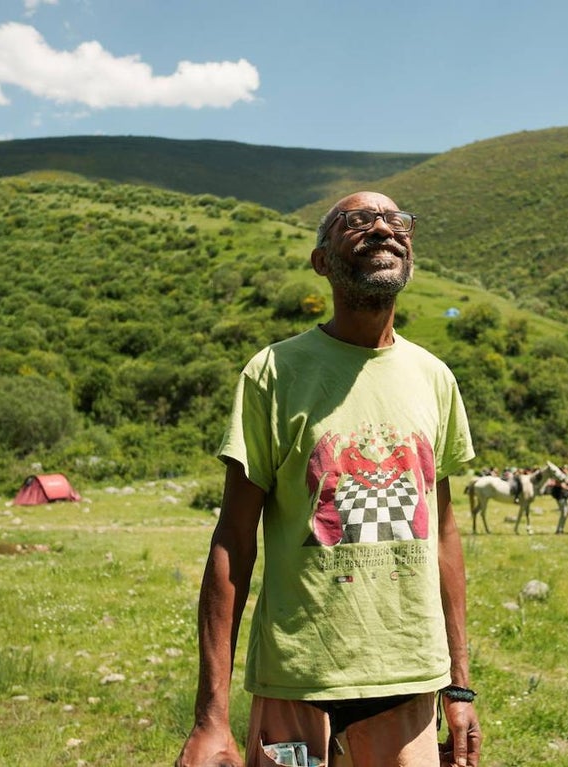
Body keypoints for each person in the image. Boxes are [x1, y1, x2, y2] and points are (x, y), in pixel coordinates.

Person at [175, 192, 481, 767]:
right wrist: (211, 718)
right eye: (358, 220)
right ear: (321, 261)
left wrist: (459, 687)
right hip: (299, 684)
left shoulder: (434, 378)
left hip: (411, 682)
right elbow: (234, 541)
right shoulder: (273, 373)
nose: (382, 229)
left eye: (396, 221)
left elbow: (442, 534)